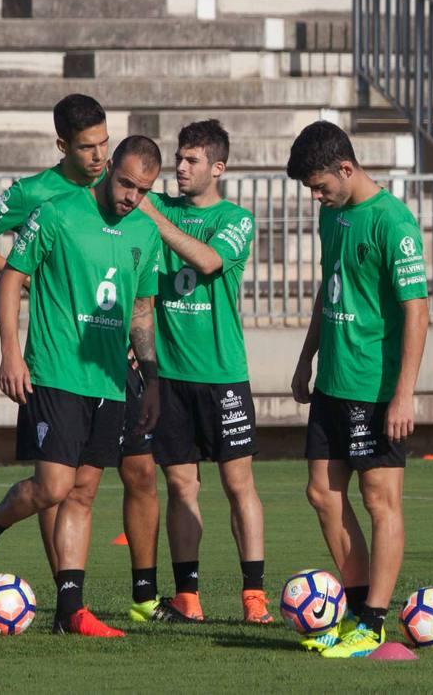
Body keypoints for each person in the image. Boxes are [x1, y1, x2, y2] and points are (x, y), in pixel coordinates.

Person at [0, 94, 164, 617]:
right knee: (54, 485)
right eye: (87, 148)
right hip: (54, 362)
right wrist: (26, 277)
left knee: (89, 486)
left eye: (103, 145)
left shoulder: (128, 206)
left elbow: (140, 304)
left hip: (109, 372)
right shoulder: (43, 199)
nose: (97, 158)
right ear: (63, 145)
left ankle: (73, 608)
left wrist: (151, 373)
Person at [287, 121, 429, 659]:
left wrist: (404, 393)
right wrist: (307, 357)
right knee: (322, 492)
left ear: (346, 168)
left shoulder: (393, 221)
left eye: (321, 185)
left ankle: (372, 621)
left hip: (376, 387)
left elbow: (417, 311)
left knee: (379, 499)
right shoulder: (334, 216)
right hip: (334, 382)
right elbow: (331, 288)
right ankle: (353, 606)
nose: (317, 196)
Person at [135, 119, 271, 624]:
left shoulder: (236, 218)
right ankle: (187, 596)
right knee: (180, 486)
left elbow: (209, 261)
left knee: (239, 484)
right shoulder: (160, 207)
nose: (180, 167)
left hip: (222, 374)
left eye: (192, 160)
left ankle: (254, 596)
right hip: (169, 376)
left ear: (218, 167)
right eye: (179, 157)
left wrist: (154, 217)